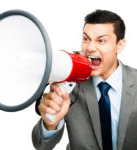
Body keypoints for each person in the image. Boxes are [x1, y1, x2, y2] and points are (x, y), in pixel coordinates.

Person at [32, 9, 137, 150]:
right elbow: (41, 145)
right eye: (86, 39)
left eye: (101, 40)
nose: (90, 48)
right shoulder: (68, 85)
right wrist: (50, 124)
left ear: (120, 45)